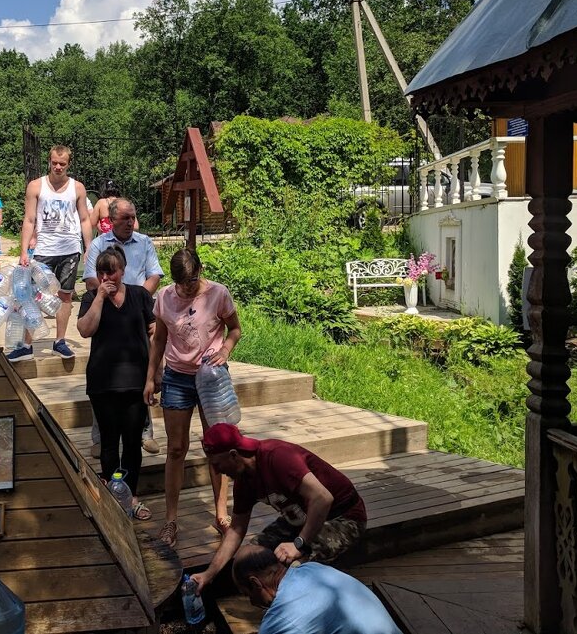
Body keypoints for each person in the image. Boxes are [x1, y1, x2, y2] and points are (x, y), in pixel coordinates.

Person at [188, 423, 367, 596]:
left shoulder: (277, 456)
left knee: (295, 565)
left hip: (344, 517)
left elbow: (323, 498)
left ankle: (298, 609)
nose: (216, 471)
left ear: (234, 455)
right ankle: (269, 599)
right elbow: (236, 529)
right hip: (300, 518)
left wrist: (299, 543)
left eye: (217, 464)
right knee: (249, 558)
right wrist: (208, 574)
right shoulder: (244, 481)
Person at [143, 248, 241, 548]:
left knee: (219, 447)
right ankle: (171, 520)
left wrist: (224, 351)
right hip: (176, 376)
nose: (186, 288)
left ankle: (221, 513)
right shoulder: (165, 297)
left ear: (200, 270)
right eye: (181, 283)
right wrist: (151, 376)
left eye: (192, 280)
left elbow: (235, 329)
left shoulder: (218, 294)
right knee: (175, 449)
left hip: (211, 378)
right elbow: (159, 339)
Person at [76, 245, 155, 521]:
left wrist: (154, 376)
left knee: (132, 443)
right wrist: (99, 297)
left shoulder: (140, 295)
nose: (107, 276)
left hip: (136, 383)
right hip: (103, 383)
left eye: (112, 271)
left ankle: (130, 497)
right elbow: (85, 330)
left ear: (123, 271)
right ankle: (112, 496)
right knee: (109, 444)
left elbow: (155, 332)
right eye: (101, 272)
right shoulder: (90, 297)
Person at [84, 197, 164, 456]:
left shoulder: (144, 242)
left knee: (140, 370)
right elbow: (90, 279)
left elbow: (154, 275)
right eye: (125, 218)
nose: (131, 223)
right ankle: (100, 438)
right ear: (112, 220)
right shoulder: (99, 244)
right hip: (106, 308)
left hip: (137, 309)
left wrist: (135, 297)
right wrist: (110, 295)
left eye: (133, 217)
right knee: (103, 373)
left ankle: (145, 433)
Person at [7, 145, 92, 361]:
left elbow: (84, 219)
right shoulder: (36, 186)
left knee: (65, 295)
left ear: (68, 164)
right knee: (31, 296)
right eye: (54, 162)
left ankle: (60, 342)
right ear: (49, 161)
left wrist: (89, 247)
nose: (58, 167)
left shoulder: (77, 188)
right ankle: (27, 345)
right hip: (44, 248)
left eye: (62, 164)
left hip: (69, 249)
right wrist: (24, 250)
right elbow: (29, 219)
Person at [230, 545, 402, 634]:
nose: (252, 602)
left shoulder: (281, 617)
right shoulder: (313, 568)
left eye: (247, 594)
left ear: (256, 583)